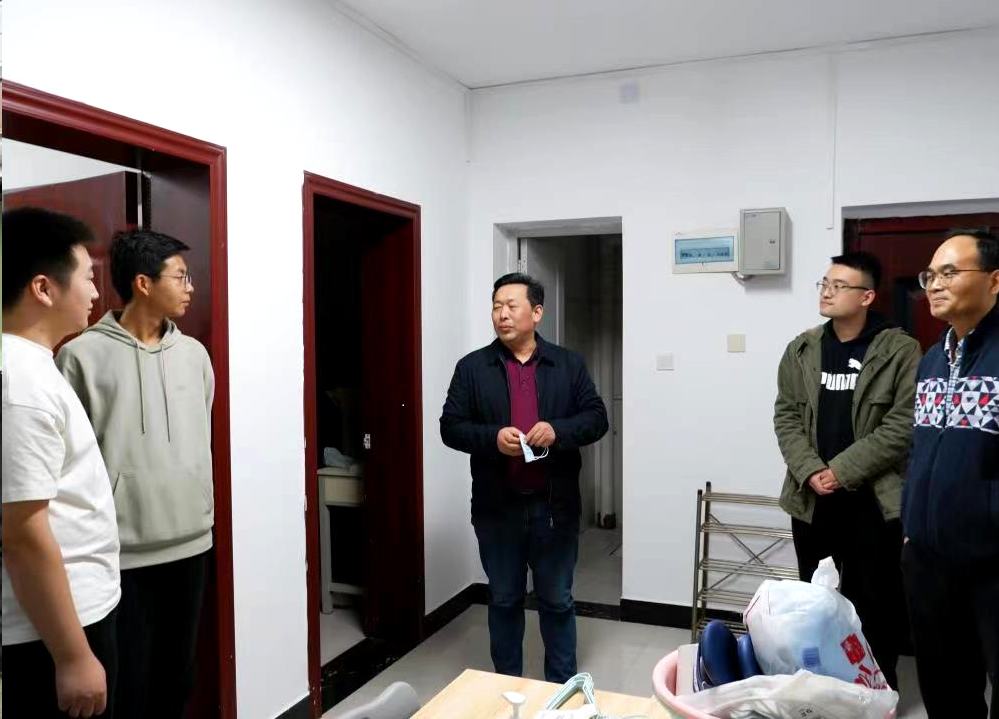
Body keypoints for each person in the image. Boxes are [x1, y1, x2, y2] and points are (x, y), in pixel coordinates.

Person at [56, 229, 215, 718]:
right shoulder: (79, 357)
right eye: (180, 277)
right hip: (120, 553)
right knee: (128, 685)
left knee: (177, 678)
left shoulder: (195, 355)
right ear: (143, 283)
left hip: (192, 544)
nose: (190, 287)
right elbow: (66, 464)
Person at [440, 272, 608, 682]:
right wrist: (492, 439)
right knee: (503, 600)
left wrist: (557, 431)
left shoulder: (567, 364)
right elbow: (450, 427)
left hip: (554, 508)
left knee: (557, 601)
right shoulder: (472, 368)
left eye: (511, 306)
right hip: (498, 509)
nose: (502, 314)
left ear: (536, 312)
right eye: (496, 306)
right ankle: (507, 685)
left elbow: (597, 418)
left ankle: (561, 687)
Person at [773, 251, 920, 690]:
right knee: (815, 599)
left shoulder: (899, 350)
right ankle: (824, 687)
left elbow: (902, 425)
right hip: (812, 499)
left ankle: (875, 690)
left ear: (867, 296)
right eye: (825, 283)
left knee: (875, 601)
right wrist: (811, 470)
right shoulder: (802, 349)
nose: (827, 291)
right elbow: (786, 416)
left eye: (839, 285)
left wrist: (840, 471)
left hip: (872, 502)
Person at [2, 207, 121, 718]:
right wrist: (73, 657)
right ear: (44, 289)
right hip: (51, 633)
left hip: (71, 615)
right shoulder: (20, 383)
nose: (95, 292)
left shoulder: (33, 367)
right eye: (88, 277)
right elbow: (23, 533)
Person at [902, 228, 999, 718]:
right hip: (929, 559)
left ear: (994, 281)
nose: (935, 284)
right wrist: (911, 527)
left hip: (991, 562)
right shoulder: (932, 360)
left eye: (949, 272)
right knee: (946, 688)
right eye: (930, 275)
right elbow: (920, 451)